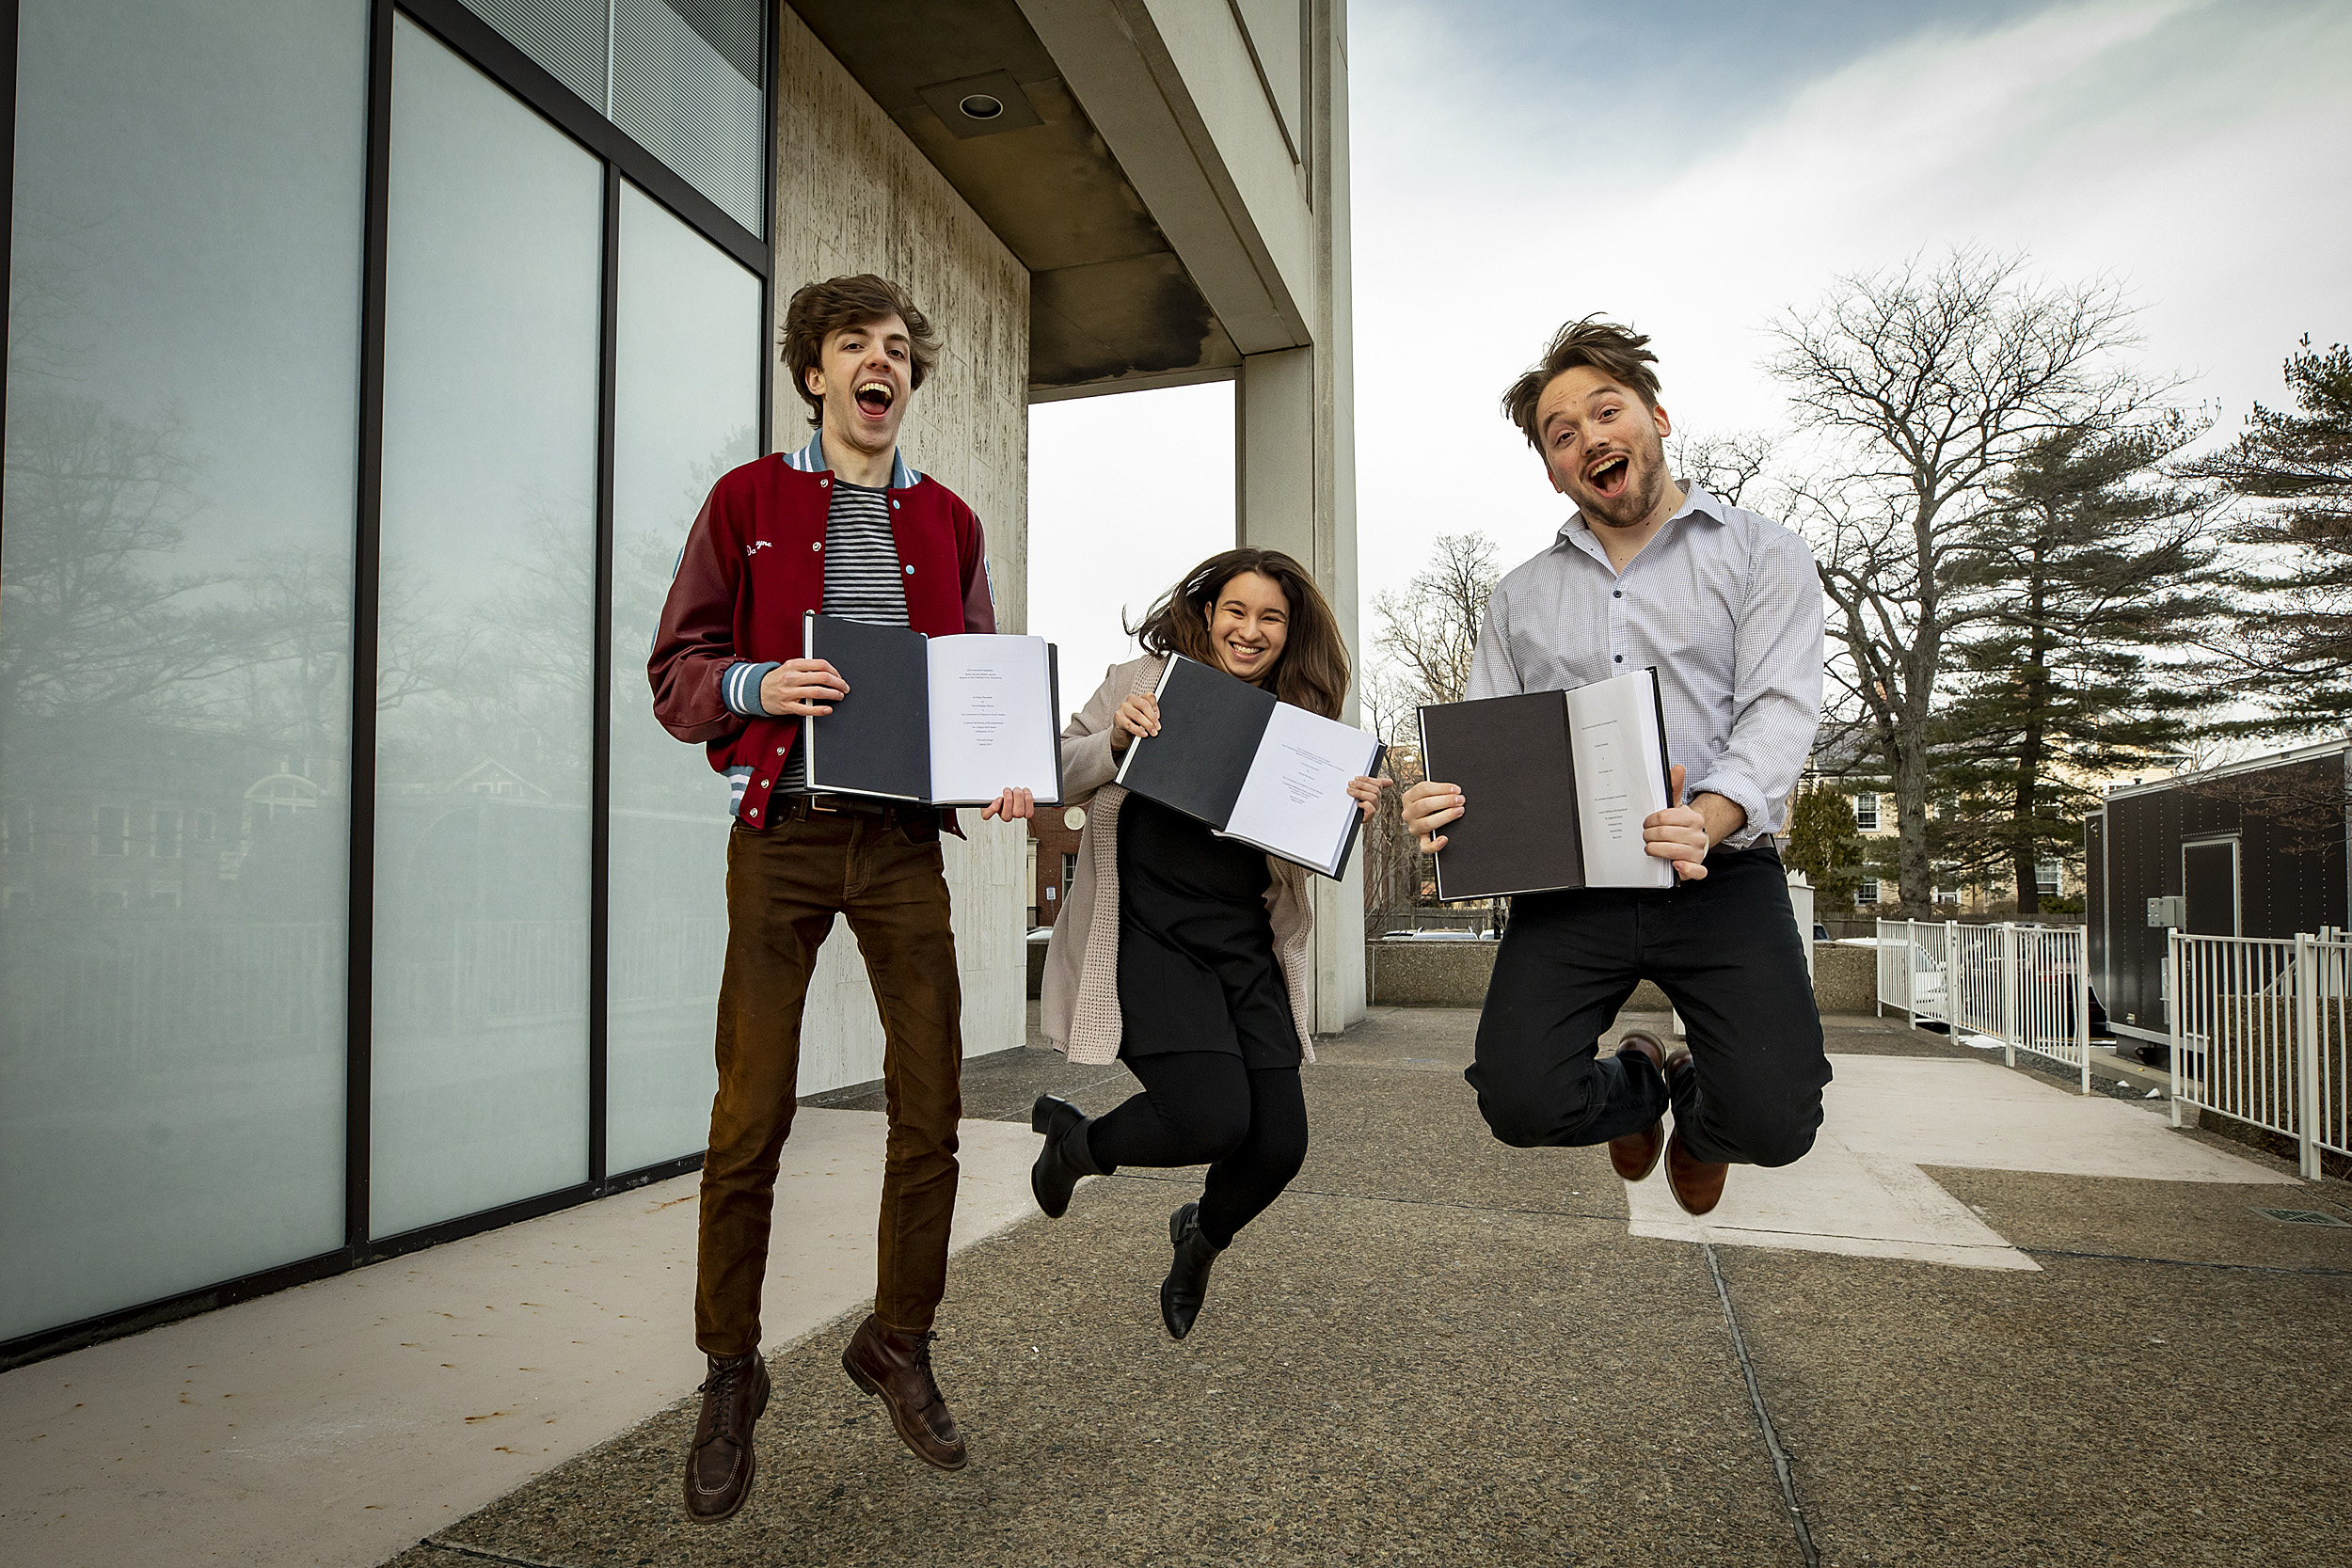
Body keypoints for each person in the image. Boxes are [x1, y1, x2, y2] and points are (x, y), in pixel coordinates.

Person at [650, 274, 1033, 1517]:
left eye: (901, 351)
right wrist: (759, 685)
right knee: (749, 1109)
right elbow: (679, 669)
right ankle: (728, 1370)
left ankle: (898, 1339)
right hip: (785, 833)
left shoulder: (954, 523)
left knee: (934, 1103)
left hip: (902, 846)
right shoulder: (747, 501)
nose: (885, 363)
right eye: (857, 346)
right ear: (813, 372)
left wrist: (1008, 768)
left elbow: (975, 677)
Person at [1403, 316, 1832, 1217]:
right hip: (1574, 887)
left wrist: (1710, 814)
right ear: (1555, 470)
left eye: (1607, 410)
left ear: (1657, 418)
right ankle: (1639, 1082)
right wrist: (1442, 804)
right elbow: (1488, 742)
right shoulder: (1518, 596)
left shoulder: (1763, 551)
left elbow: (1781, 708)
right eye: (1563, 434)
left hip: (1719, 869)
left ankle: (1702, 1120)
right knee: (1518, 1099)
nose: (1590, 435)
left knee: (1777, 1121)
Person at [1028, 549, 1388, 1338]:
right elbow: (1051, 766)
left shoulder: (1301, 728)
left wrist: (1346, 811)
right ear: (1208, 608)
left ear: (1290, 634)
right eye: (1237, 610)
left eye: (1271, 618)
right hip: (1149, 942)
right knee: (1210, 1118)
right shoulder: (1141, 681)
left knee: (1278, 1145)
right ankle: (1077, 1143)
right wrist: (1113, 742)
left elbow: (1300, 859)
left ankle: (1199, 1240)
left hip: (1242, 949)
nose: (1249, 631)